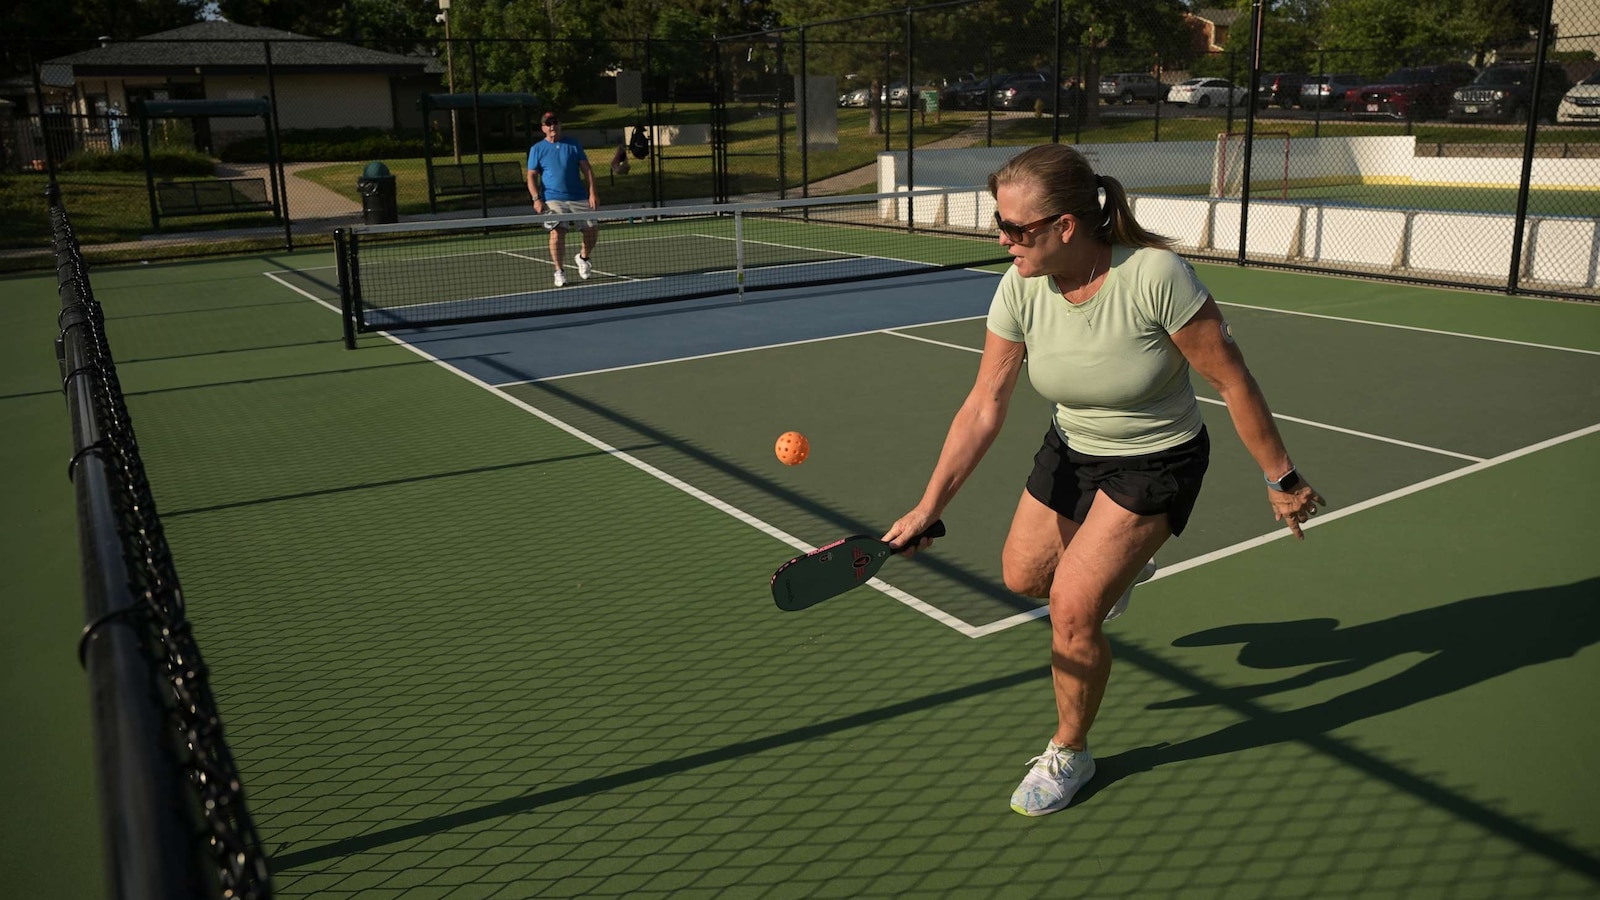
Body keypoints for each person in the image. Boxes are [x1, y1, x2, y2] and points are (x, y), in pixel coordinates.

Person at [881, 144, 1325, 817]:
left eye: (1016, 230)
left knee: (1072, 608)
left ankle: (1071, 751)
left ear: (1065, 227)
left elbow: (1230, 379)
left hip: (1157, 461)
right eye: (997, 226)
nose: (1003, 242)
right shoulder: (1021, 287)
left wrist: (1281, 476)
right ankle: (1114, 574)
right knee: (1023, 578)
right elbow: (984, 404)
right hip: (1072, 449)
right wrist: (927, 505)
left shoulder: (1153, 275)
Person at [526, 111, 598, 287]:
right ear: (543, 128)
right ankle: (559, 271)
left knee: (592, 230)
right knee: (557, 232)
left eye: (555, 123)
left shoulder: (573, 144)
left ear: (560, 125)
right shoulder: (537, 149)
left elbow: (587, 169)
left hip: (578, 197)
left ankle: (583, 258)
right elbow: (531, 176)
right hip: (553, 198)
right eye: (548, 124)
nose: (552, 126)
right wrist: (536, 198)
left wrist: (592, 193)